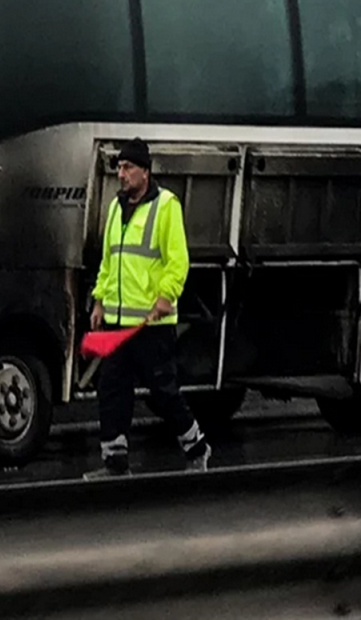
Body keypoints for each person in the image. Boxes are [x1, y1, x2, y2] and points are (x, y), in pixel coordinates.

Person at [84, 137, 210, 479]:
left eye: (127, 168)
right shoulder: (115, 207)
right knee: (111, 389)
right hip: (117, 321)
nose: (121, 174)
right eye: (119, 168)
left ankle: (196, 446)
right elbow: (109, 260)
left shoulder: (165, 206)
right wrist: (99, 300)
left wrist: (165, 298)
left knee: (163, 391)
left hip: (152, 323)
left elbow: (177, 261)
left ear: (145, 171)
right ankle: (114, 461)